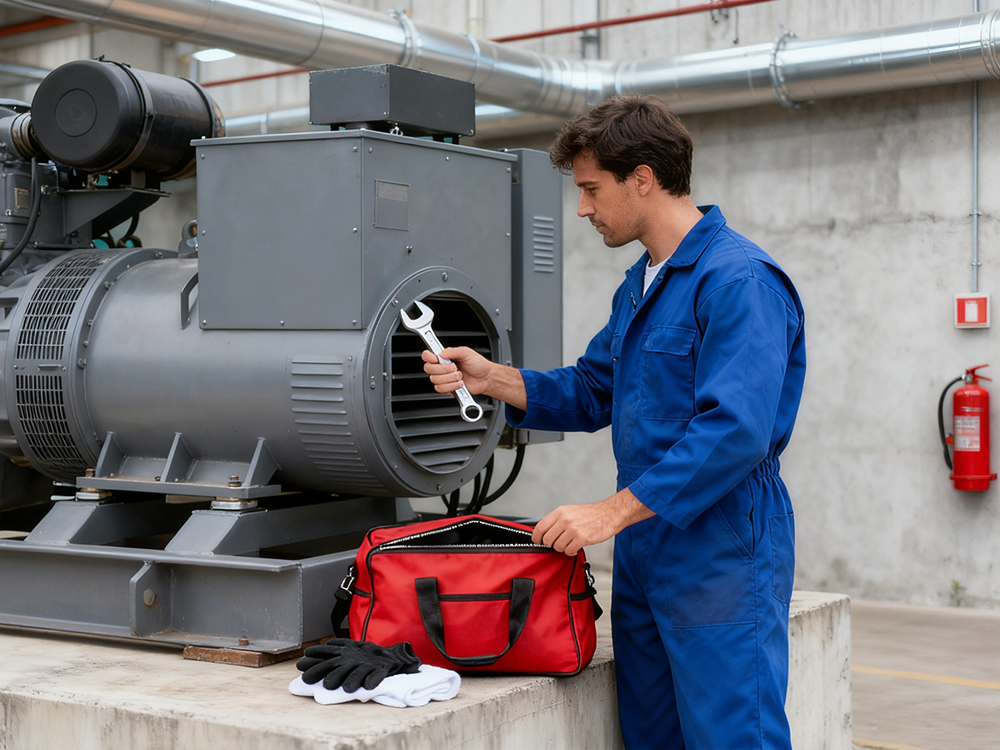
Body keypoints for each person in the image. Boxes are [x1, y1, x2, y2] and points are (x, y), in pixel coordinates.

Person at [421, 94, 806, 750]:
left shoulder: (738, 282)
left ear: (643, 179)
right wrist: (492, 379)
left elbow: (735, 431)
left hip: (720, 548)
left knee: (733, 736)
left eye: (592, 188)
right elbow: (594, 388)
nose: (582, 208)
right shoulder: (642, 285)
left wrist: (611, 513)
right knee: (651, 734)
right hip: (646, 547)